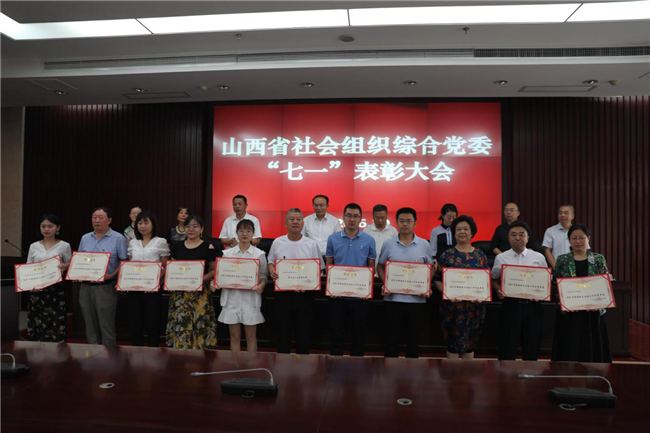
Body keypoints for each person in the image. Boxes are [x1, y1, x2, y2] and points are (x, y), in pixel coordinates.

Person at [551, 224, 612, 363]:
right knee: (570, 348)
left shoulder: (598, 259)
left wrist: (599, 302)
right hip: (570, 313)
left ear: (588, 238)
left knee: (592, 347)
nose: (578, 241)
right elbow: (555, 284)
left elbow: (605, 283)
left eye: (581, 238)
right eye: (574, 238)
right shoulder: (562, 260)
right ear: (569, 240)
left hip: (592, 312)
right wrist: (564, 302)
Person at [377, 207, 432, 358]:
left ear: (415, 223)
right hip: (393, 300)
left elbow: (430, 267)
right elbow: (380, 266)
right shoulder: (388, 244)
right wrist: (385, 283)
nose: (405, 224)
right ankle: (389, 369)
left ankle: (412, 371)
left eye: (408, 221)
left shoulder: (424, 244)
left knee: (414, 341)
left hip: (417, 301)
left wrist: (426, 285)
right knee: (391, 340)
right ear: (396, 222)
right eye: (401, 221)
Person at [267, 208, 323, 354]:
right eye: (292, 219)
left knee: (303, 332)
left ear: (303, 223)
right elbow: (270, 262)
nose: (295, 222)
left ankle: (303, 363)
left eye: (298, 219)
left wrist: (309, 283)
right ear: (286, 223)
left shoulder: (311, 244)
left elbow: (319, 269)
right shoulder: (278, 242)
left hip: (304, 295)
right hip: (283, 294)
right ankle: (282, 362)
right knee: (283, 331)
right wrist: (271, 270)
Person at [434, 215, 489, 360]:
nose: (462, 232)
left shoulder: (480, 255)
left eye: (466, 229)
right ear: (454, 233)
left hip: (474, 308)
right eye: (458, 229)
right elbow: (437, 280)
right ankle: (451, 374)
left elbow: (486, 281)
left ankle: (467, 374)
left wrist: (482, 295)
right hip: (452, 307)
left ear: (472, 232)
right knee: (452, 345)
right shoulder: (447, 255)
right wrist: (447, 293)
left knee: (470, 344)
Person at [491, 221, 548, 361]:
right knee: (507, 346)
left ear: (527, 238)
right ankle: (505, 374)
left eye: (521, 235)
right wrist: (498, 290)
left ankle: (529, 373)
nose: (517, 238)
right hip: (510, 306)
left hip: (533, 307)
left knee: (532, 346)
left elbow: (545, 281)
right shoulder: (501, 257)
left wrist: (540, 293)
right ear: (508, 238)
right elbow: (493, 279)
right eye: (513, 234)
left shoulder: (538, 257)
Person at [326, 203, 376, 357]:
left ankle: (358, 366)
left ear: (361, 219)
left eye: (355, 216)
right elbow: (329, 265)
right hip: (337, 295)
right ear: (343, 217)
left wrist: (367, 290)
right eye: (348, 215)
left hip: (360, 296)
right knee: (336, 334)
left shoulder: (369, 240)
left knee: (358, 336)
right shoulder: (333, 239)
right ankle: (334, 365)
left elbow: (371, 267)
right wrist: (331, 288)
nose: (352, 219)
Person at [214, 219, 268, 354]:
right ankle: (235, 364)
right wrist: (215, 283)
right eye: (241, 231)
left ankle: (251, 364)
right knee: (234, 336)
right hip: (231, 299)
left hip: (250, 300)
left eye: (248, 231)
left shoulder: (259, 254)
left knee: (251, 337)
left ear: (253, 233)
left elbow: (263, 275)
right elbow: (221, 275)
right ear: (236, 232)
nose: (244, 234)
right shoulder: (227, 254)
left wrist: (262, 284)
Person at [77, 207, 128, 346]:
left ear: (109, 220)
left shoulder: (118, 238)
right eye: (94, 217)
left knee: (106, 325)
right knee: (90, 325)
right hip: (85, 287)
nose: (97, 221)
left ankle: (109, 355)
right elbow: (79, 259)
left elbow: (124, 262)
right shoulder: (85, 238)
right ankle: (93, 354)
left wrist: (111, 275)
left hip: (105, 287)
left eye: (100, 217)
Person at [166, 215, 219, 349]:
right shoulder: (177, 246)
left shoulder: (208, 246)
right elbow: (172, 268)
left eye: (195, 226)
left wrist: (198, 281)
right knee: (181, 326)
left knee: (198, 325)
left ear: (202, 229)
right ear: (184, 229)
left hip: (199, 294)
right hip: (180, 295)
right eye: (188, 226)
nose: (191, 229)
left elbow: (214, 270)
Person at [25, 214, 72, 342]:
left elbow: (71, 266)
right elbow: (28, 267)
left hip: (55, 290)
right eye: (43, 226)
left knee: (56, 324)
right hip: (37, 291)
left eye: (50, 226)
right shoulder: (34, 246)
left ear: (57, 228)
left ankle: (57, 353)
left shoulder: (64, 246)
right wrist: (29, 285)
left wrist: (66, 266)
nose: (46, 229)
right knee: (37, 323)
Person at [127, 211, 170, 347]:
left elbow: (165, 266)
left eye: (146, 222)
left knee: (152, 324)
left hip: (152, 290)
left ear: (153, 224)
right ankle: (135, 353)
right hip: (134, 290)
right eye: (140, 223)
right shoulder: (133, 243)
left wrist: (154, 281)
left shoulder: (160, 242)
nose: (142, 226)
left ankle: (153, 353)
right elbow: (130, 265)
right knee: (135, 324)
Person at [363, 204, 398, 273]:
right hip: (370, 268)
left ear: (386, 216)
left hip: (387, 269)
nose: (380, 220)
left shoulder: (393, 231)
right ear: (373, 216)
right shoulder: (366, 231)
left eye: (383, 217)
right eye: (377, 218)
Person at [542, 204, 575, 269]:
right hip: (557, 267)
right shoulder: (550, 231)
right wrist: (556, 268)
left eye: (566, 213)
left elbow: (584, 250)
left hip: (575, 268)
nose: (562, 215)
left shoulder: (577, 231)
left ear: (572, 216)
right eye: (560, 213)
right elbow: (547, 251)